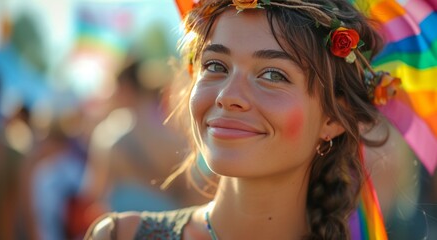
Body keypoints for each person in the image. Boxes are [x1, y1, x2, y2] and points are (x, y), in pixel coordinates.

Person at [85, 0, 401, 239]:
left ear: (333, 118)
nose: (227, 95)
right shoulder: (120, 235)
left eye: (273, 74)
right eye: (215, 66)